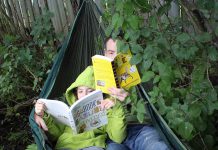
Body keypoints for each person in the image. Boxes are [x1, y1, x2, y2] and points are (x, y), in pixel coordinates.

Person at [34, 66, 129, 150]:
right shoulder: (69, 111)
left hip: (92, 145)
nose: (84, 95)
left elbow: (118, 137)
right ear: (76, 94)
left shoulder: (106, 111)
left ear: (98, 93)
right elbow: (54, 135)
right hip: (66, 146)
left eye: (90, 91)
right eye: (80, 91)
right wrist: (44, 116)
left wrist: (116, 106)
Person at [104, 37, 169, 150]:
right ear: (104, 54)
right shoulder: (93, 77)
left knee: (158, 147)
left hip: (141, 129)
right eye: (111, 53)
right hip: (112, 137)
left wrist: (130, 98)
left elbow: (156, 112)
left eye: (121, 54)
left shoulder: (142, 75)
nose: (115, 58)